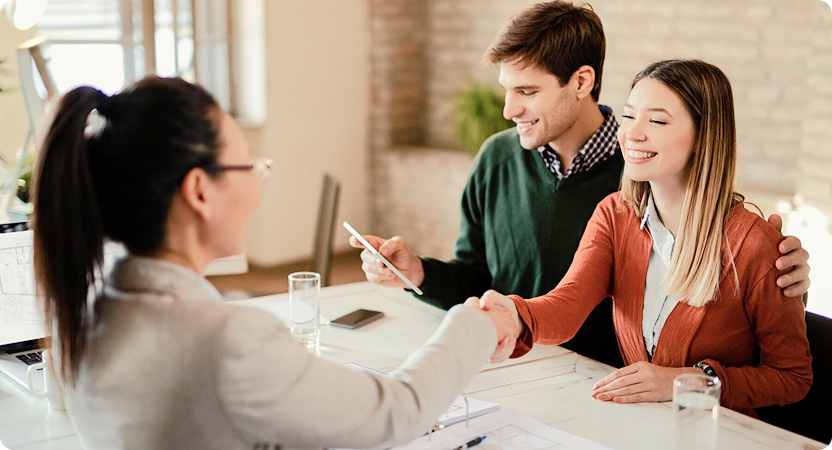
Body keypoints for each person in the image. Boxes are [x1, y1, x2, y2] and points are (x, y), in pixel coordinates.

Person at [32, 77, 516, 449]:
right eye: (248, 166)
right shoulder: (227, 342)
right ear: (200, 191)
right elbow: (401, 411)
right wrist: (472, 325)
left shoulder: (85, 315)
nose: (258, 183)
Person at [351, 1, 811, 369]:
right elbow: (485, 279)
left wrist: (787, 274)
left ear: (581, 82)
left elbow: (741, 300)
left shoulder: (648, 174)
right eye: (506, 90)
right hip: (515, 357)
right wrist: (418, 272)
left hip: (609, 378)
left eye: (527, 92)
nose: (509, 109)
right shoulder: (498, 159)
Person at [475, 59, 812, 416]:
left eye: (657, 120)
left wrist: (688, 380)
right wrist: (512, 314)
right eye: (630, 116)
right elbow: (567, 304)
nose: (632, 133)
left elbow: (792, 377)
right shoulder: (615, 215)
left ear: (704, 136)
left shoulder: (757, 245)